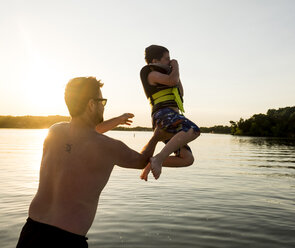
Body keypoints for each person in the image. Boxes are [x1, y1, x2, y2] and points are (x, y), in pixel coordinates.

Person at [16, 77, 167, 248]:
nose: (103, 105)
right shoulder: (109, 147)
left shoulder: (54, 132)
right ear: (91, 104)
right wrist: (156, 136)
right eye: (102, 101)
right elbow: (141, 161)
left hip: (31, 231)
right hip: (66, 240)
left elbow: (85, 134)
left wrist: (117, 120)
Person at [140, 45, 201, 180]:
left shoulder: (168, 74)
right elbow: (172, 80)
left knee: (187, 159)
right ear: (155, 61)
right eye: (167, 59)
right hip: (163, 116)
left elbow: (180, 91)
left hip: (173, 118)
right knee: (193, 129)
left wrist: (173, 70)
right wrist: (176, 65)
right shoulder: (151, 74)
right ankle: (159, 159)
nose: (170, 61)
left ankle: (153, 161)